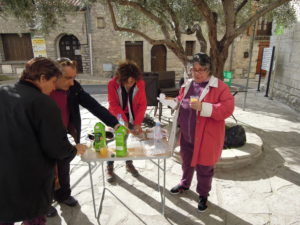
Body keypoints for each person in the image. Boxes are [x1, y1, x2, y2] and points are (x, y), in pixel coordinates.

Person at [0, 57, 86, 225]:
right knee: (34, 219)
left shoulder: (2, 92)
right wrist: (74, 150)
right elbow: (57, 148)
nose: (54, 87)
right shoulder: (43, 102)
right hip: (30, 180)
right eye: (53, 81)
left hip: (4, 178)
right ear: (42, 78)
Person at [47, 57, 120, 216]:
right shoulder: (44, 89)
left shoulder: (74, 88)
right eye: (68, 78)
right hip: (44, 137)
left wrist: (114, 123)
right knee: (46, 170)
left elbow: (93, 105)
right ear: (55, 76)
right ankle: (45, 203)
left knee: (64, 162)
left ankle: (63, 195)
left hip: (63, 133)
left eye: (74, 77)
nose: (72, 82)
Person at [168, 53, 234, 212]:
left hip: (206, 138)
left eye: (202, 70)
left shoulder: (219, 87)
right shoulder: (187, 85)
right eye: (194, 69)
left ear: (209, 70)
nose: (197, 73)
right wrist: (173, 103)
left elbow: (227, 109)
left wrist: (204, 107)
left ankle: (203, 195)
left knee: (205, 168)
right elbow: (181, 99)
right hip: (187, 135)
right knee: (186, 163)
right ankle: (185, 184)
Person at [107, 60, 147, 182]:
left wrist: (137, 123)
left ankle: (128, 163)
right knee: (114, 140)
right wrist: (123, 122)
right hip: (116, 116)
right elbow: (113, 104)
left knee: (126, 141)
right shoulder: (112, 84)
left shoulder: (140, 83)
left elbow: (142, 104)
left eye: (133, 81)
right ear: (121, 78)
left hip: (131, 116)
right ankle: (109, 166)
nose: (131, 84)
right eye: (128, 81)